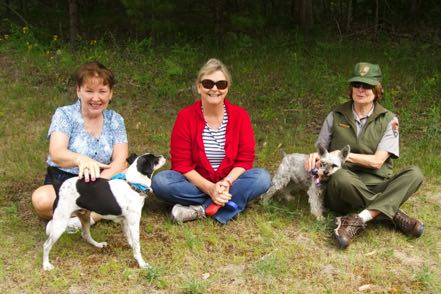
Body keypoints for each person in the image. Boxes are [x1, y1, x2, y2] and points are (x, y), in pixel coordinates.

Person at [305, 62, 424, 249]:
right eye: (356, 84)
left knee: (415, 174)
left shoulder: (389, 119)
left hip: (376, 183)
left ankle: (359, 218)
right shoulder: (335, 115)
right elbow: (323, 153)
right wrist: (315, 156)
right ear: (351, 88)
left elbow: (377, 162)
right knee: (341, 176)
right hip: (342, 187)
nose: (361, 90)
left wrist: (345, 156)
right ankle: (392, 213)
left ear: (377, 90)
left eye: (367, 85)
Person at [152, 58, 271, 224]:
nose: (214, 89)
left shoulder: (240, 116)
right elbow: (182, 164)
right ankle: (227, 204)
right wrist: (210, 188)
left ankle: (200, 209)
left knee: (262, 178)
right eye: (208, 83)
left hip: (229, 181)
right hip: (196, 183)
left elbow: (245, 159)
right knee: (160, 182)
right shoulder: (185, 117)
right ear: (199, 86)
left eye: (221, 84)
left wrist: (226, 183)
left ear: (227, 88)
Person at [32, 61, 128, 232]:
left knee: (128, 173)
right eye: (89, 91)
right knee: (41, 200)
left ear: (111, 94)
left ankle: (88, 218)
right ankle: (99, 212)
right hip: (65, 181)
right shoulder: (64, 114)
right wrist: (80, 159)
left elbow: (120, 160)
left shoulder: (116, 119)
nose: (96, 98)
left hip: (104, 180)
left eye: (102, 91)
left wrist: (98, 185)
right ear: (78, 91)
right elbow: (56, 153)